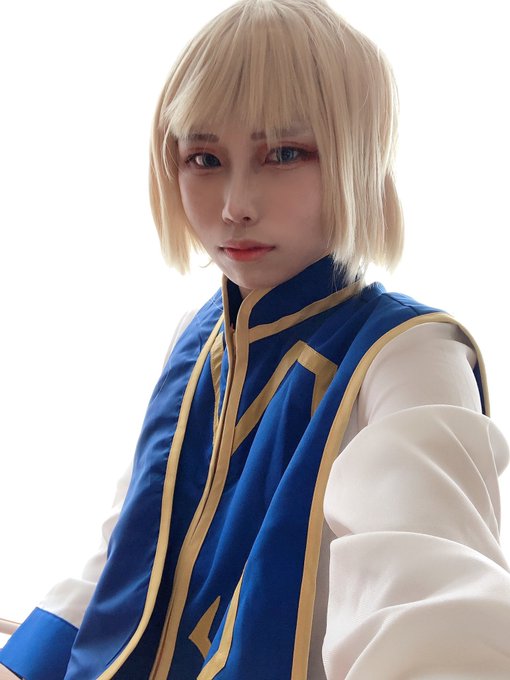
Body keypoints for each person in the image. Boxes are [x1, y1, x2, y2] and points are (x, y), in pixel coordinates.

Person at [2, 0, 510, 677]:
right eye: (205, 157)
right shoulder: (198, 338)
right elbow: (128, 553)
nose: (235, 204)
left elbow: (432, 592)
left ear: (358, 157)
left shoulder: (409, 353)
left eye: (285, 154)